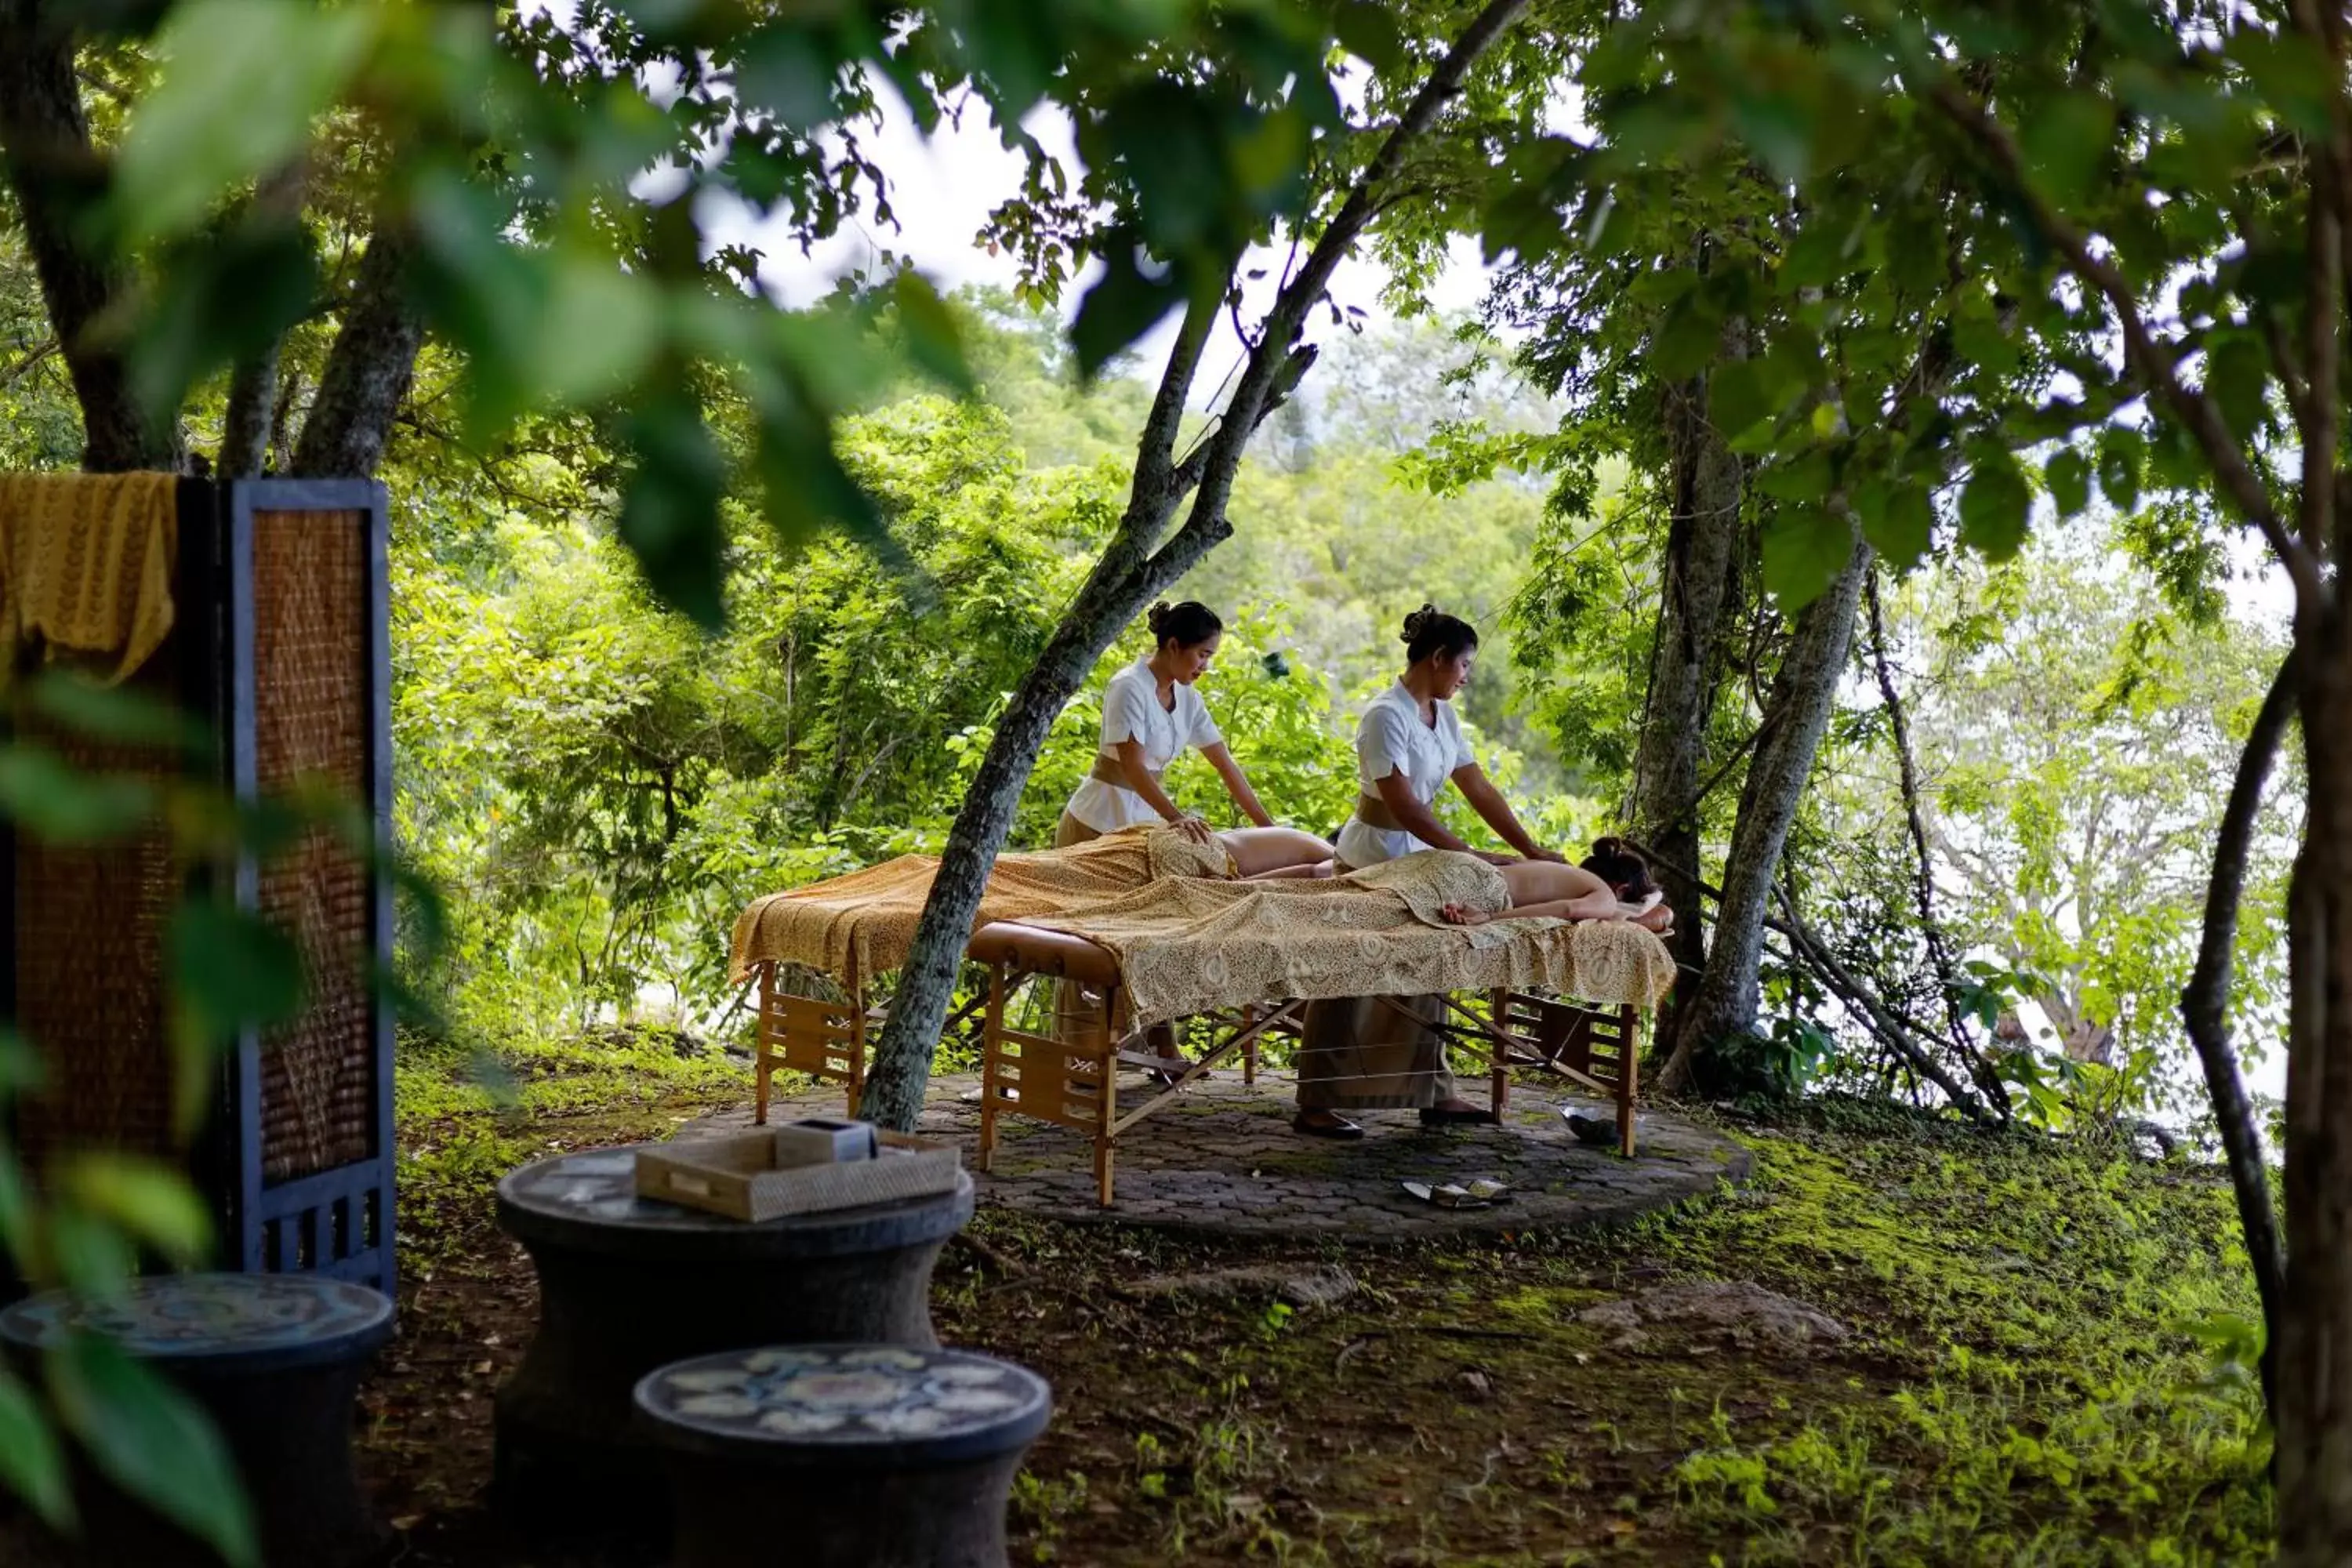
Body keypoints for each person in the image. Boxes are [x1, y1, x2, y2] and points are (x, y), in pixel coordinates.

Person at [1294, 604, 1566, 1139]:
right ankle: (1315, 1102)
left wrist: (1530, 849)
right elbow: (1403, 806)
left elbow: (1478, 786)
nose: (1466, 678)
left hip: (1422, 864)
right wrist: (1471, 856)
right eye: (1463, 666)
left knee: (1431, 973)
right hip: (1372, 859)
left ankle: (1433, 1092)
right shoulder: (1385, 715)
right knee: (1344, 975)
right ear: (1438, 659)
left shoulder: (1444, 716)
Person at [1058, 601, 1287, 1070]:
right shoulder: (1129, 686)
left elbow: (1227, 766)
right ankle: (1080, 1056)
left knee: (1150, 937)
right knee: (1091, 944)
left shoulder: (1189, 699)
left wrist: (1271, 828)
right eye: (1202, 654)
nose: (1206, 665)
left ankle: (1159, 1047)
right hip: (1098, 821)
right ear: (1173, 645)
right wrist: (1177, 818)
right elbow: (1132, 766)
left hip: (1144, 826)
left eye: (1211, 657)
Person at [1438, 837, 1675, 933]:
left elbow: (1661, 912)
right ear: (1622, 889)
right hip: (1477, 885)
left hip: (1457, 867)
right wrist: (1489, 918)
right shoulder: (1607, 897)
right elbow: (1568, 910)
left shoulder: (1568, 874)